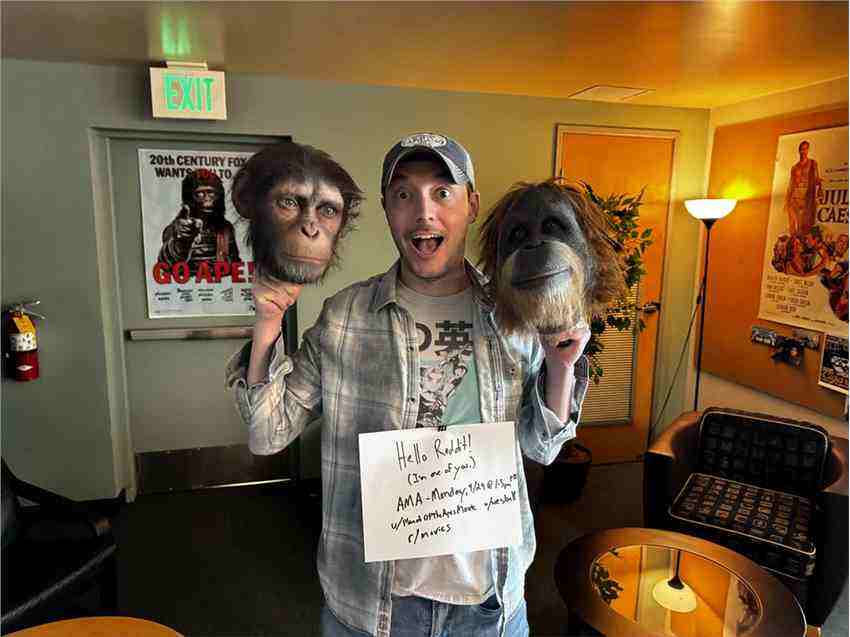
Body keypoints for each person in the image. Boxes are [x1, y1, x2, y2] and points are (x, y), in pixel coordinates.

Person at [226, 133, 590, 637]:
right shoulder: (345, 318)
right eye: (404, 194)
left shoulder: (514, 313)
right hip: (373, 607)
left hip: (489, 604)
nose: (424, 213)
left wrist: (561, 365)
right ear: (386, 209)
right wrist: (267, 327)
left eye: (442, 192)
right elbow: (267, 435)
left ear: (472, 204)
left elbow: (542, 447)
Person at [158, 168, 240, 277]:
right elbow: (166, 266)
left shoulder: (226, 229)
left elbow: (235, 266)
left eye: (211, 193)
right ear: (190, 198)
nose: (207, 199)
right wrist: (183, 242)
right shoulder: (176, 229)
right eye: (200, 194)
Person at [784, 140, 822, 237]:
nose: (803, 151)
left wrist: (819, 189)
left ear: (808, 150)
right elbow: (791, 184)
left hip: (806, 197)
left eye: (805, 149)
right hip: (795, 196)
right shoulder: (794, 167)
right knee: (793, 223)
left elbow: (816, 179)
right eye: (801, 149)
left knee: (804, 224)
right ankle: (793, 241)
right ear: (799, 150)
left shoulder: (813, 163)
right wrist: (787, 200)